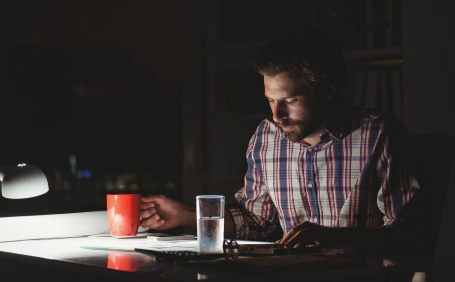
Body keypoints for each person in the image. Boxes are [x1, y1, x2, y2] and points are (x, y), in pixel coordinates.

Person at [140, 34, 422, 252]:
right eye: (271, 101)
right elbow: (258, 223)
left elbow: (410, 232)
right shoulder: (266, 136)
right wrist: (187, 215)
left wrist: (332, 238)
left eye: (289, 101)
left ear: (327, 92)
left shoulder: (378, 134)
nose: (277, 116)